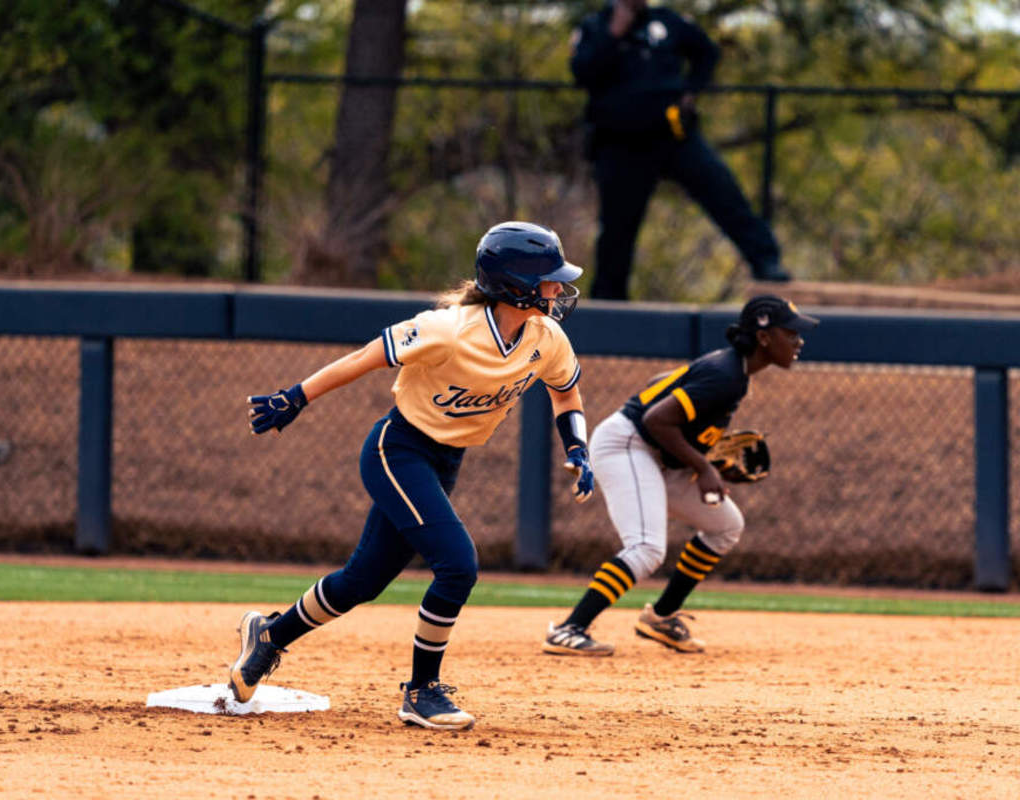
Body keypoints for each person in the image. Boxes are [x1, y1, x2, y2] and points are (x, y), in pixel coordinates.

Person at [230, 221, 595, 730]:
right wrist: (296, 396)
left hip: (447, 460)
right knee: (458, 564)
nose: (558, 288)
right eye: (549, 278)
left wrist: (576, 446)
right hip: (398, 450)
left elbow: (566, 394)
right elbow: (365, 358)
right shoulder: (449, 328)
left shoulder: (546, 337)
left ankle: (270, 635)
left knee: (362, 581)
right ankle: (421, 691)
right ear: (514, 284)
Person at [543, 294, 817, 655]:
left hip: (655, 453)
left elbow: (662, 384)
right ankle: (569, 628)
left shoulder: (734, 372)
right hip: (629, 445)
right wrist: (702, 467)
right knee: (646, 547)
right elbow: (656, 419)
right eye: (790, 333)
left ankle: (661, 616)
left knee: (725, 525)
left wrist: (704, 462)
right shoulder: (727, 374)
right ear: (764, 337)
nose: (799, 340)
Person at [571, 0, 792, 301]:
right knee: (617, 229)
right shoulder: (594, 27)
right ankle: (610, 300)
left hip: (673, 133)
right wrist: (615, 32)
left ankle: (766, 261)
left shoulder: (667, 21)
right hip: (620, 143)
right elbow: (583, 73)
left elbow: (707, 53)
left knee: (723, 192)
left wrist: (691, 89)